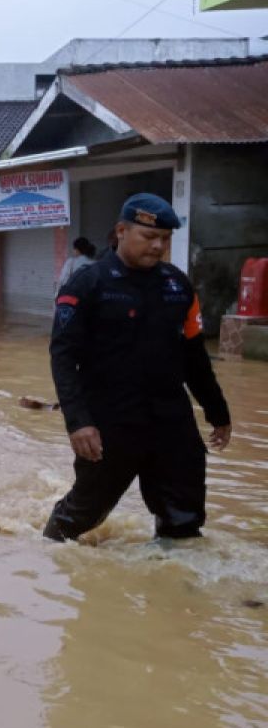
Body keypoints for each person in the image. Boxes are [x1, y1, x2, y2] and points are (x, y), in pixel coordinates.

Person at [42, 193, 232, 542]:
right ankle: (45, 565)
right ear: (121, 231)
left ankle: (172, 587)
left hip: (171, 419)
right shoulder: (88, 285)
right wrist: (79, 422)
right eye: (149, 237)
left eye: (165, 238)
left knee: (183, 518)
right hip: (110, 420)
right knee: (83, 515)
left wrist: (217, 412)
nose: (158, 246)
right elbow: (63, 357)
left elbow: (195, 357)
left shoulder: (177, 286)